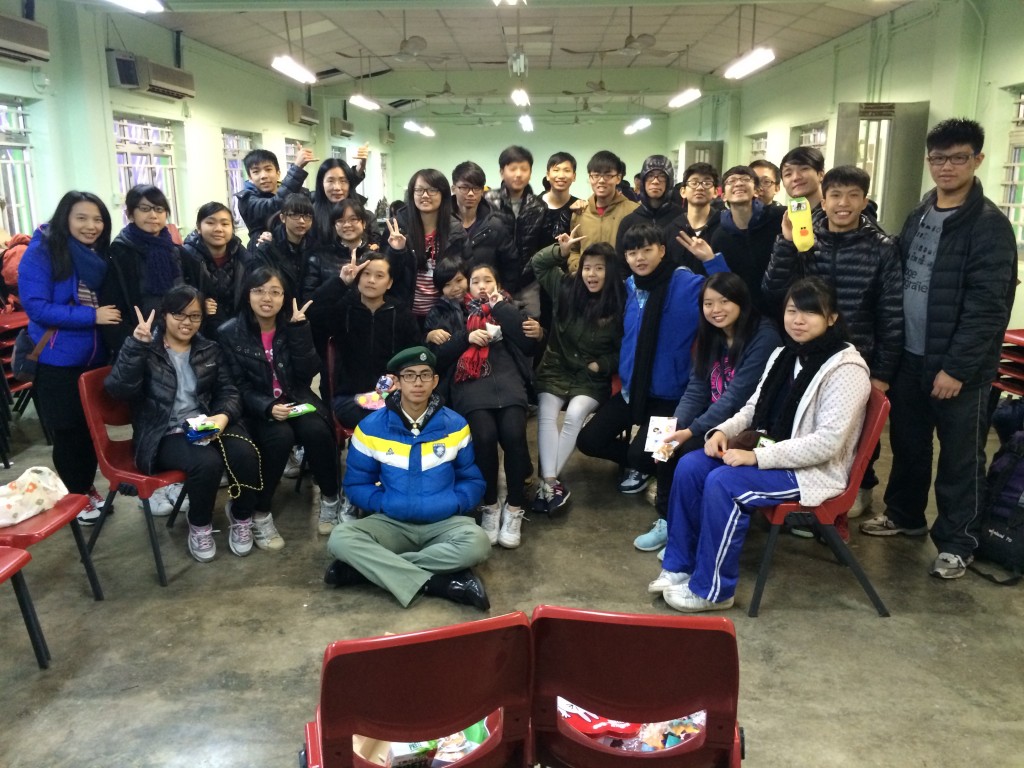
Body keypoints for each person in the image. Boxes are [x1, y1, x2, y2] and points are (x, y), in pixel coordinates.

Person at [650, 277, 871, 612]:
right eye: (792, 311)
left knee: (724, 483)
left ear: (832, 318)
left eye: (810, 312)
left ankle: (714, 591)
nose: (798, 320)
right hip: (770, 449)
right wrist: (720, 431)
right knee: (691, 465)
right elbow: (752, 408)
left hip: (810, 471)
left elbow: (827, 444)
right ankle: (679, 566)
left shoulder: (846, 368)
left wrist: (755, 457)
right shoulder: (784, 354)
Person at [859, 117, 1018, 580]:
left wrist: (957, 369)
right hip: (911, 356)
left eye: (958, 158)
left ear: (977, 160)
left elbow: (989, 307)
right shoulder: (921, 213)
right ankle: (905, 515)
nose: (947, 166)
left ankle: (958, 541)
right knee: (908, 445)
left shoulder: (989, 226)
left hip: (958, 369)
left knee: (960, 458)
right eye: (939, 158)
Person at [761, 165, 903, 518]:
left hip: (860, 355)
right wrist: (786, 242)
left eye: (853, 195)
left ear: (865, 201)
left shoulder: (882, 247)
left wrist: (882, 372)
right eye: (835, 195)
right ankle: (802, 490)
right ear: (822, 200)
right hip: (809, 352)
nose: (843, 203)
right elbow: (774, 290)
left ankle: (860, 486)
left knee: (857, 431)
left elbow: (891, 313)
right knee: (805, 421)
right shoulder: (806, 238)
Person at [324, 346, 491, 610]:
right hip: (392, 523)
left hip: (443, 523)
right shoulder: (371, 428)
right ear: (398, 382)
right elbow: (356, 484)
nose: (418, 383)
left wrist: (455, 502)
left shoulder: (456, 425)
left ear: (435, 381)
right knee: (340, 538)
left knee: (478, 543)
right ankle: (438, 583)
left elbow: (471, 479)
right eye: (410, 375)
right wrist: (383, 503)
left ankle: (365, 571)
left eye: (425, 375)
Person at [104, 286, 263, 563]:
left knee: (246, 453)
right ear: (164, 315)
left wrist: (222, 417)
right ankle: (199, 525)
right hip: (164, 432)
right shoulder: (147, 348)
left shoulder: (209, 349)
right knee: (207, 463)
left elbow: (229, 391)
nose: (187, 322)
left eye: (195, 316)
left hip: (206, 422)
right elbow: (118, 390)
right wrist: (135, 346)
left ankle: (241, 516)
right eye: (179, 314)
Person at [576, 222, 727, 498]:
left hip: (671, 398)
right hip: (632, 391)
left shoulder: (686, 283)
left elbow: (729, 294)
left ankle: (646, 463)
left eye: (647, 250)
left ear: (662, 250)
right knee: (588, 441)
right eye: (632, 253)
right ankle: (641, 460)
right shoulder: (628, 287)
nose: (640, 258)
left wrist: (711, 261)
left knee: (651, 453)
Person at [636, 273, 781, 555]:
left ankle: (689, 531)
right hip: (713, 417)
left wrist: (690, 431)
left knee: (688, 454)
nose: (716, 310)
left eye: (724, 301)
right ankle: (667, 520)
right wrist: (674, 427)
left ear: (741, 301)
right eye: (708, 303)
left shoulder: (764, 336)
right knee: (663, 445)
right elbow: (696, 388)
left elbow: (736, 397)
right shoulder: (711, 335)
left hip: (748, 426)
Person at [218, 266, 341, 549]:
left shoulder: (291, 325)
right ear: (247, 294)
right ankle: (260, 512)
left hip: (295, 398)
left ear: (285, 297)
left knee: (317, 430)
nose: (267, 298)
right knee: (280, 437)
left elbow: (308, 373)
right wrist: (267, 406)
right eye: (259, 291)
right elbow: (234, 386)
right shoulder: (229, 333)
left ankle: (331, 498)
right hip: (255, 408)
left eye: (275, 292)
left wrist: (299, 332)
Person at [18, 191, 120, 523]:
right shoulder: (43, 252)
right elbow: (37, 307)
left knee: (90, 430)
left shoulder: (96, 255)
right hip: (57, 360)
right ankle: (76, 495)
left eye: (98, 219)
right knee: (67, 431)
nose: (91, 226)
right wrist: (93, 316)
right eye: (82, 218)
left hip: (94, 359)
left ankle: (85, 488)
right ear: (65, 218)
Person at [429, 263, 537, 549]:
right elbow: (438, 358)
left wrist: (500, 307)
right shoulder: (450, 312)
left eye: (487, 280)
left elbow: (528, 345)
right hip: (470, 383)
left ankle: (514, 507)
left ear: (497, 284)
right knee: (484, 437)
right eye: (475, 281)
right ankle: (490, 505)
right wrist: (465, 337)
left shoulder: (511, 307)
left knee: (514, 435)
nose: (481, 285)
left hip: (508, 378)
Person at [530, 238, 625, 514]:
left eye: (599, 268)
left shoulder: (621, 302)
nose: (591, 274)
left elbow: (625, 349)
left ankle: (546, 485)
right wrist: (559, 251)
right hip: (556, 367)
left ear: (610, 271)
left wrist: (602, 365)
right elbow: (538, 264)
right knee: (547, 413)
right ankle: (551, 483)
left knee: (574, 416)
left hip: (590, 376)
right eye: (587, 267)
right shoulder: (566, 287)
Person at [307, 252, 421, 431]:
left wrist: (400, 381)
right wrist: (340, 282)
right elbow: (312, 313)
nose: (371, 280)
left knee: (404, 413)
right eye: (366, 274)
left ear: (389, 283)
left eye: (379, 276)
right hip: (350, 397)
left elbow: (414, 355)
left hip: (393, 394)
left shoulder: (401, 314)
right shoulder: (343, 309)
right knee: (380, 420)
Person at [99, 184, 184, 356]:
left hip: (179, 338)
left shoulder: (176, 251)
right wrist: (136, 343)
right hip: (141, 341)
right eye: (145, 209)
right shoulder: (118, 253)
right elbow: (112, 310)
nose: (153, 215)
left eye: (159, 209)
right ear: (130, 214)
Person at [384, 169, 466, 319]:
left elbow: (465, 271)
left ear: (443, 194)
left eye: (432, 190)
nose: (425, 195)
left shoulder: (456, 230)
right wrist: (397, 252)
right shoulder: (396, 228)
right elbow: (385, 274)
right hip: (403, 315)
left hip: (443, 315)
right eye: (419, 190)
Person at [707, 165, 784, 313]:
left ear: (756, 191)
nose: (738, 183)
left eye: (745, 179)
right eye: (731, 181)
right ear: (723, 196)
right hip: (742, 312)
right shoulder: (719, 236)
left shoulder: (779, 218)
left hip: (780, 308)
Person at [482, 145, 548, 316]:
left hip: (528, 283)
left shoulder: (539, 206)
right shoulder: (487, 201)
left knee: (530, 326)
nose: (518, 174)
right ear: (502, 172)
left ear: (530, 173)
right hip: (495, 281)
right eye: (513, 169)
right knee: (494, 325)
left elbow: (541, 247)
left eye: (524, 169)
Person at [180, 201, 249, 341]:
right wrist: (198, 305)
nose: (218, 229)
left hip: (238, 331)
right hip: (199, 332)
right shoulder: (186, 256)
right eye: (210, 223)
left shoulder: (243, 257)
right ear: (199, 227)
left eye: (225, 224)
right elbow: (179, 294)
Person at [450, 161, 520, 292]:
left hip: (487, 297)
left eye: (476, 188)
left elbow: (511, 264)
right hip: (451, 296)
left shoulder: (495, 225)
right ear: (453, 189)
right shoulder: (443, 222)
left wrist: (503, 293)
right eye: (464, 188)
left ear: (482, 191)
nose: (471, 193)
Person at [568, 150, 639, 272]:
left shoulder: (633, 211)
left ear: (618, 178)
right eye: (596, 175)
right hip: (587, 279)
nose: (601, 180)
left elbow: (639, 248)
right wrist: (579, 268)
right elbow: (573, 249)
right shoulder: (580, 212)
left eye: (608, 175)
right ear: (590, 178)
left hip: (620, 280)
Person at [236, 145, 314, 247]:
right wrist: (297, 168)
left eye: (268, 169)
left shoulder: (298, 192)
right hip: (263, 252)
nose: (263, 176)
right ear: (250, 177)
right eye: (256, 172)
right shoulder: (246, 200)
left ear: (278, 173)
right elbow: (274, 205)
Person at [302, 197, 378, 302]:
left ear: (364, 223)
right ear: (334, 226)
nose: (347, 225)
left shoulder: (374, 256)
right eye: (340, 221)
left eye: (353, 219)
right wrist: (340, 282)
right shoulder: (319, 258)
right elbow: (308, 301)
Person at [250, 193, 317, 302]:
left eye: (307, 216)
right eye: (295, 215)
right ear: (283, 218)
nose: (302, 221)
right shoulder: (268, 247)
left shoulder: (315, 247)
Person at [614, 155, 681, 262]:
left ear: (669, 182)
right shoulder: (628, 222)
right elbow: (621, 262)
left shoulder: (681, 218)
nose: (655, 181)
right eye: (650, 176)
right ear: (643, 181)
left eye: (662, 176)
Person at [665, 163, 723, 272]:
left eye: (707, 183)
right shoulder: (671, 230)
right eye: (694, 183)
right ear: (683, 192)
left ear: (715, 192)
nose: (700, 188)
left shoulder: (724, 227)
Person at [539, 151, 580, 241]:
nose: (561, 176)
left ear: (574, 176)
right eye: (556, 170)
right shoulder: (533, 206)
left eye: (567, 170)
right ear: (548, 175)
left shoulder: (579, 207)